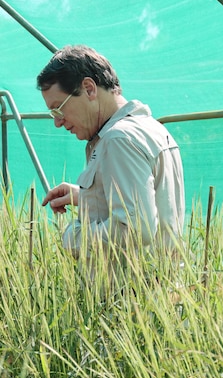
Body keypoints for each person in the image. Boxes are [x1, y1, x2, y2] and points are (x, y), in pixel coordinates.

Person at [38, 45, 185, 266]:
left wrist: (72, 237)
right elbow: (149, 204)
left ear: (89, 89)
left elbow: (135, 229)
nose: (58, 122)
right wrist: (86, 196)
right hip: (155, 289)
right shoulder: (151, 128)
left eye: (59, 109)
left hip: (127, 296)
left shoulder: (119, 139)